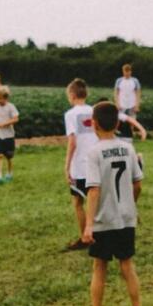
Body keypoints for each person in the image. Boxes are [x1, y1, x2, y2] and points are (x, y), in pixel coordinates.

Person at [81, 101, 146, 306]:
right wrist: (130, 206)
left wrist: (89, 224)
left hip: (103, 221)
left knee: (99, 267)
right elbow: (137, 183)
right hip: (125, 218)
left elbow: (94, 190)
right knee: (127, 265)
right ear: (118, 124)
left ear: (93, 124)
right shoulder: (128, 149)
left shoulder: (94, 153)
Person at [63, 79, 97, 251]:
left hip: (80, 165)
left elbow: (72, 141)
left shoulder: (70, 114)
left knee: (77, 202)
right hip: (96, 162)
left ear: (72, 95)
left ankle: (85, 237)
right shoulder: (95, 111)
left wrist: (67, 165)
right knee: (97, 201)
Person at [0, 86, 19, 183]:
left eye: (0, 98)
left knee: (9, 156)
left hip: (9, 136)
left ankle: (9, 173)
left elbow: (16, 119)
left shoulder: (11, 107)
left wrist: (4, 124)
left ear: (6, 98)